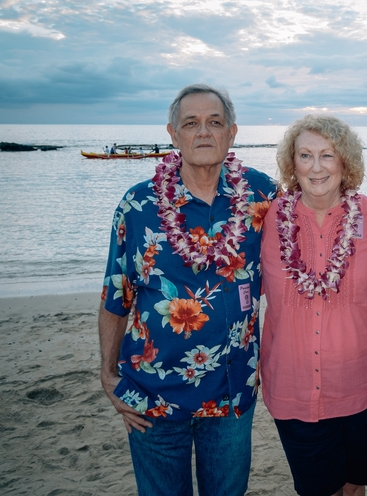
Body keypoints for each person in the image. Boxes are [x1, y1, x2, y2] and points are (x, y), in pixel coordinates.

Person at [98, 84, 277, 496]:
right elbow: (115, 296)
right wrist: (108, 375)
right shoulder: (138, 206)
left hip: (231, 396)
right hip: (152, 398)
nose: (203, 132)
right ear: (172, 134)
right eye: (191, 123)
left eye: (215, 122)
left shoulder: (263, 195)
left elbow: (319, 216)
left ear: (232, 133)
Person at [259, 114, 367, 496]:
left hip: (364, 386)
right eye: (305, 156)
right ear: (291, 163)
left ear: (344, 162)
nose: (316, 167)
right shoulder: (265, 218)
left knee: (354, 486)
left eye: (328, 156)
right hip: (293, 388)